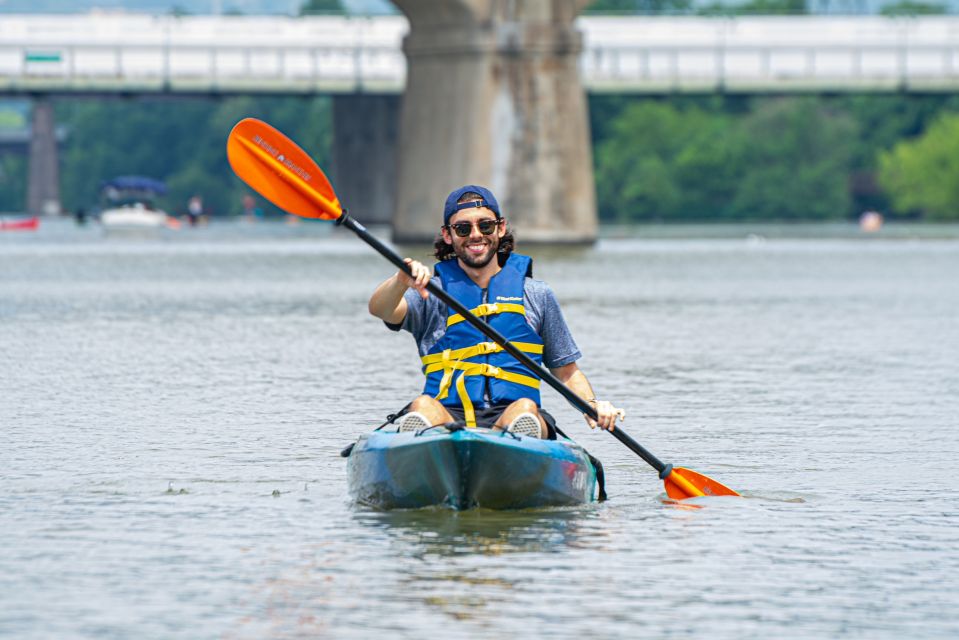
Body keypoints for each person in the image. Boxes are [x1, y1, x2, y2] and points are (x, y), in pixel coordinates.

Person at [368, 185, 625, 439]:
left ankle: (516, 446)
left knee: (523, 409)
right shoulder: (429, 293)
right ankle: (421, 444)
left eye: (486, 226)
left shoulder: (536, 295)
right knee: (423, 405)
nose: (476, 235)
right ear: (448, 235)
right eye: (463, 228)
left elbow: (567, 373)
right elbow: (381, 309)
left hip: (513, 416)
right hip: (447, 417)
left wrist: (592, 405)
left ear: (500, 229)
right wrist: (401, 280)